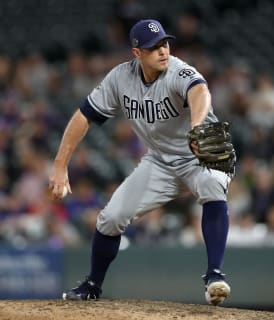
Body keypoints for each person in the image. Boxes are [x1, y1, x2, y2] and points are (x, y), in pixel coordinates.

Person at [49, 19, 233, 305]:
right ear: (137, 53)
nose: (162, 51)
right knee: (110, 218)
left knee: (212, 185)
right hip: (160, 161)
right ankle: (92, 284)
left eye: (164, 43)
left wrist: (197, 126)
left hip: (200, 154)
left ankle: (215, 275)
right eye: (153, 47)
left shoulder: (178, 69)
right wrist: (61, 164)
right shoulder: (120, 78)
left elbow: (200, 91)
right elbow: (83, 116)